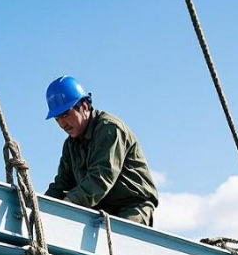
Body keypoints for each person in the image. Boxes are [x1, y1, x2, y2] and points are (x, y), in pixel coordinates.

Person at [43, 76, 159, 226]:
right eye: (57, 119)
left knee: (120, 241)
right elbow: (62, 183)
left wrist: (67, 205)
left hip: (132, 206)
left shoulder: (109, 129)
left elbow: (101, 177)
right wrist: (41, 207)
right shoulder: (71, 145)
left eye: (66, 115)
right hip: (100, 210)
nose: (62, 124)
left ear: (84, 106)